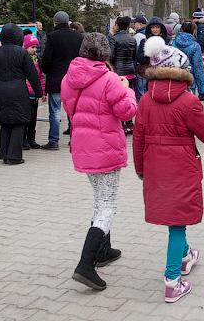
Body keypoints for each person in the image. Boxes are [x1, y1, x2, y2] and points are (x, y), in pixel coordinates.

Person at [132, 46, 204, 303]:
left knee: (173, 216)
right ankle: (172, 280)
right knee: (177, 223)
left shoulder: (144, 100)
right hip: (182, 165)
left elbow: (138, 138)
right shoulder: (188, 101)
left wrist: (140, 167)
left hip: (155, 164)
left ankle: (186, 255)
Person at [61, 32, 137, 291]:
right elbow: (127, 112)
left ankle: (103, 250)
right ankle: (85, 264)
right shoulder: (109, 79)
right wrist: (127, 91)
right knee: (107, 205)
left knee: (99, 198)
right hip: (105, 148)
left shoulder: (69, 78)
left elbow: (70, 109)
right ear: (105, 54)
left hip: (82, 145)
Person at [0, 23, 42, 165]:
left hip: (0, 90)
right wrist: (38, 92)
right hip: (18, 90)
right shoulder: (22, 53)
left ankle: (4, 153)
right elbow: (32, 75)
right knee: (19, 122)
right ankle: (14, 156)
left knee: (5, 122)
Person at [39, 11, 84, 149]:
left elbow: (46, 58)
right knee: (73, 111)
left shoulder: (52, 37)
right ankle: (75, 139)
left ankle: (54, 141)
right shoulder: (78, 36)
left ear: (55, 22)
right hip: (74, 80)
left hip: (56, 79)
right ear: (68, 21)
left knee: (55, 111)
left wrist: (45, 70)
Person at [172, 22, 204, 99]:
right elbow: (198, 68)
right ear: (194, 30)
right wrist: (202, 90)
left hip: (174, 75)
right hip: (189, 76)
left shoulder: (173, 43)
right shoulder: (195, 46)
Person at [23, 34, 45, 150]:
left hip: (35, 93)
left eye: (36, 47)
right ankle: (24, 139)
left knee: (33, 118)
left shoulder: (37, 60)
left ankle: (31, 139)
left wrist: (42, 91)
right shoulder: (22, 59)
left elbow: (40, 77)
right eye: (32, 47)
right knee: (26, 117)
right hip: (26, 93)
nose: (34, 50)